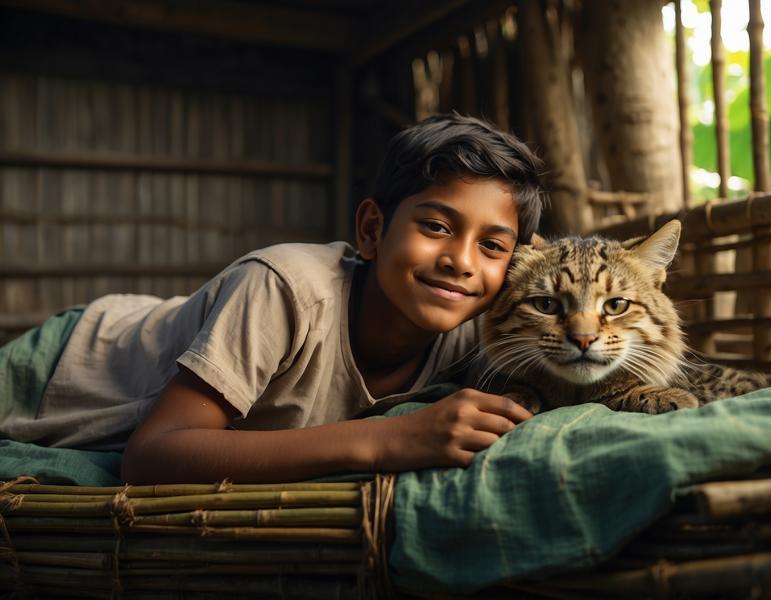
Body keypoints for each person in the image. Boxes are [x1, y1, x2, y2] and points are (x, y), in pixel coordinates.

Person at [1, 113, 546, 484]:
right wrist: (383, 439)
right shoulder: (285, 285)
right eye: (434, 225)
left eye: (493, 245)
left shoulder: (479, 334)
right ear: (373, 230)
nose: (463, 260)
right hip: (71, 362)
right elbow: (151, 456)